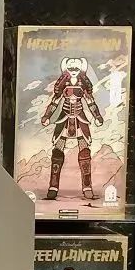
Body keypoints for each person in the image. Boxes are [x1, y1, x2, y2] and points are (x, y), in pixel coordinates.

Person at [39, 57, 103, 202]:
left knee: (84, 151)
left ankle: (87, 187)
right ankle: (53, 187)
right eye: (71, 68)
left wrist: (97, 116)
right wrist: (47, 116)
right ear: (66, 69)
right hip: (64, 119)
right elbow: (55, 101)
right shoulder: (63, 84)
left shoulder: (83, 84)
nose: (73, 70)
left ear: (81, 69)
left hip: (80, 120)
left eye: (76, 68)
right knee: (57, 151)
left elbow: (90, 101)